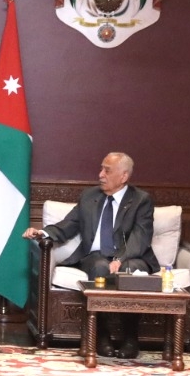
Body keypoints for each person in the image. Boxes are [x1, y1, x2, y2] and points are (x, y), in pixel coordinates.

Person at [23, 152, 157, 360]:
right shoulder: (89, 196)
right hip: (94, 256)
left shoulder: (141, 200)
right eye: (101, 169)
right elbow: (69, 224)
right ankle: (101, 335)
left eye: (107, 171)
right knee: (100, 267)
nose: (100, 174)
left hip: (130, 256)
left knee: (130, 270)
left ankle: (130, 338)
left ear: (124, 176)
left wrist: (120, 259)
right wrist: (42, 232)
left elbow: (141, 237)